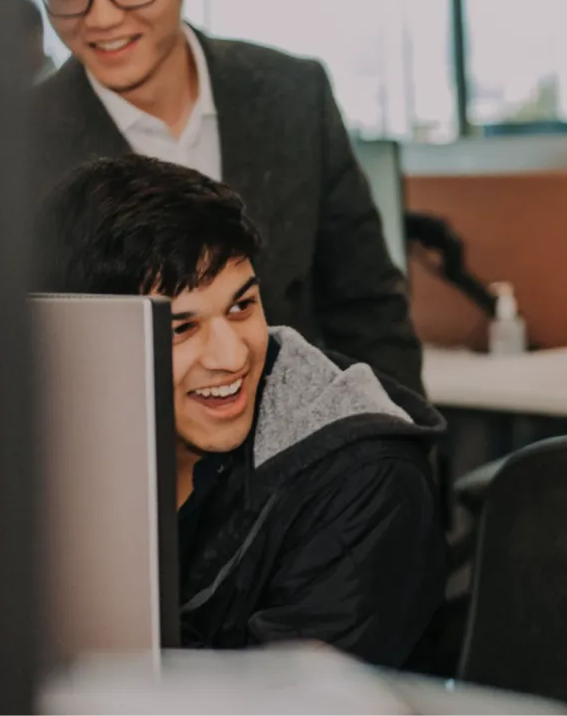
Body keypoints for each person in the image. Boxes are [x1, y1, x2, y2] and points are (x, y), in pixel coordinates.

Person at [0, 0, 425, 392]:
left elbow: (369, 311)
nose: (100, 18)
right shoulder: (12, 146)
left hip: (308, 463)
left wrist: (393, 458)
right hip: (127, 470)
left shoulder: (292, 95)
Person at [37, 154, 445, 667]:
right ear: (86, 339)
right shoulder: (53, 440)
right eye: (181, 329)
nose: (231, 356)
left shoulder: (366, 482)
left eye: (241, 306)